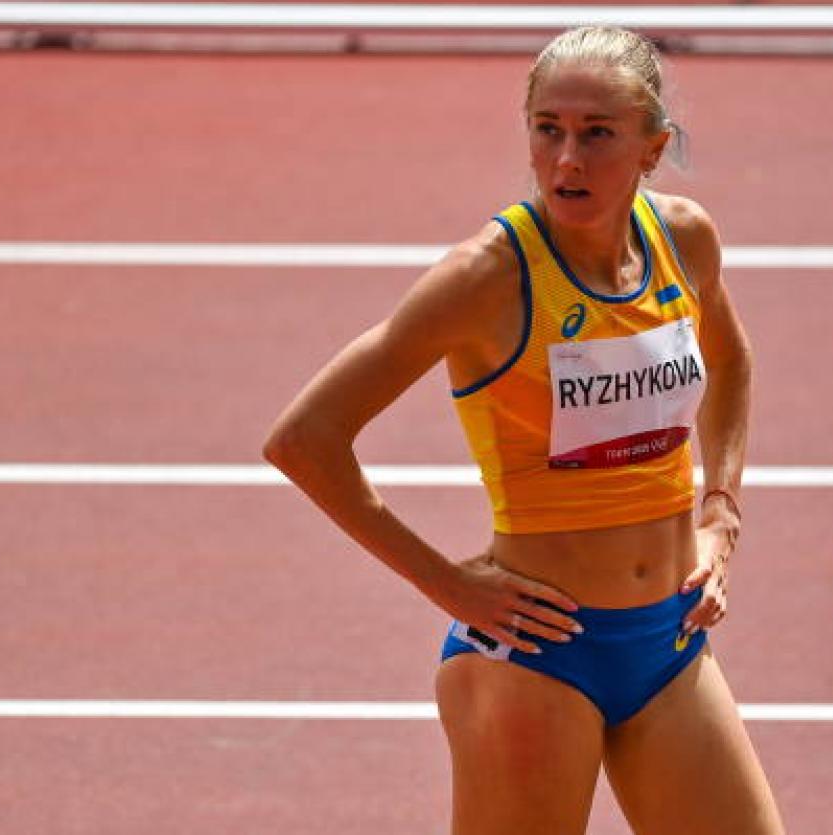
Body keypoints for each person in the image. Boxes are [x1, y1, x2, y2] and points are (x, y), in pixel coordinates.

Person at [263, 25, 784, 835]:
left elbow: (730, 360)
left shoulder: (682, 240)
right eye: (548, 129)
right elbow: (304, 439)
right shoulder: (486, 276)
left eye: (596, 133)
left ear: (651, 148)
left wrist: (720, 509)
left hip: (667, 639)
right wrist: (445, 583)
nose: (566, 158)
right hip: (535, 654)